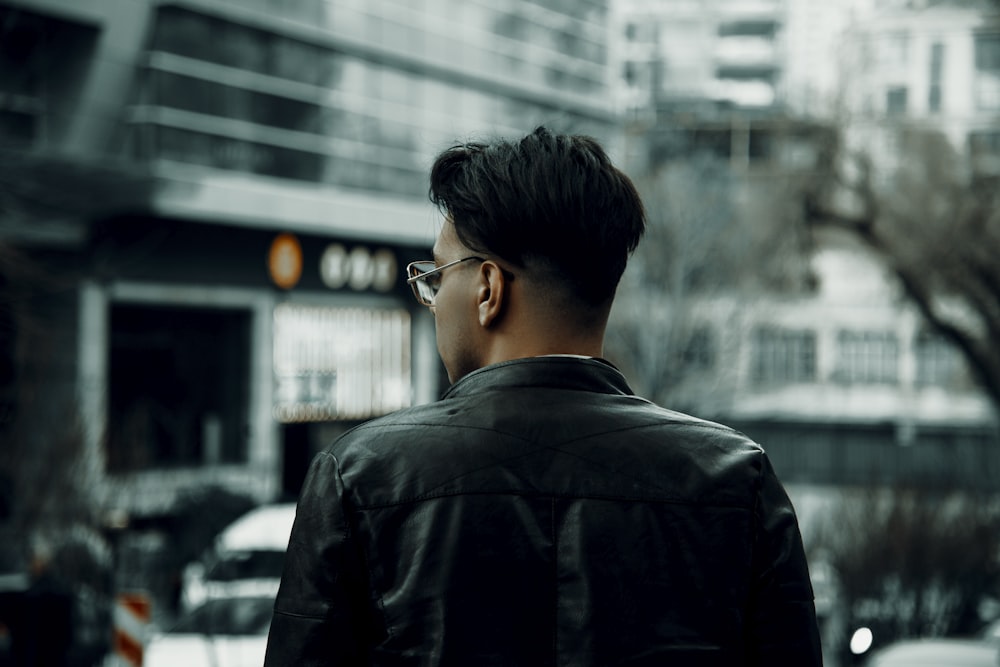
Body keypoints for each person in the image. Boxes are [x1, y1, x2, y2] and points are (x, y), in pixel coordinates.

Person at [264, 126, 823, 666]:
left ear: (488, 288)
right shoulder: (735, 481)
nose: (432, 299)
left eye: (436, 276)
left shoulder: (359, 477)